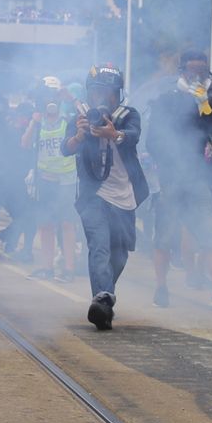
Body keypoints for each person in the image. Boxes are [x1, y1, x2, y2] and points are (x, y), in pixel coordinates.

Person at [145, 51, 212, 308]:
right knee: (164, 236)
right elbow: (153, 141)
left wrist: (205, 108)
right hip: (171, 179)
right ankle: (160, 288)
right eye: (192, 70)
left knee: (210, 233)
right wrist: (171, 162)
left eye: (201, 70)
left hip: (197, 177)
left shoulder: (207, 100)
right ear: (182, 71)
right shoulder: (166, 99)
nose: (197, 75)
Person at [64, 64, 149, 330]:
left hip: (124, 195)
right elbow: (66, 148)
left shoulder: (128, 115)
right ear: (89, 93)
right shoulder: (80, 117)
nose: (102, 98)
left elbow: (133, 135)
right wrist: (79, 135)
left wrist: (115, 134)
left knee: (120, 254)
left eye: (108, 92)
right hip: (93, 194)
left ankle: (105, 295)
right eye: (96, 92)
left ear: (117, 94)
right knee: (99, 245)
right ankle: (102, 300)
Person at [23, 78, 79, 282]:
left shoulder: (68, 120)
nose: (51, 100)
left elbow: (87, 116)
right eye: (47, 96)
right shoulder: (38, 122)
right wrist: (33, 122)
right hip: (45, 179)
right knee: (46, 223)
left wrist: (71, 98)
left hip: (66, 179)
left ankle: (69, 269)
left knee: (67, 223)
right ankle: (47, 268)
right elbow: (25, 143)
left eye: (54, 95)